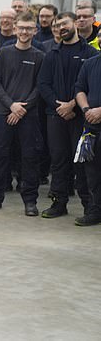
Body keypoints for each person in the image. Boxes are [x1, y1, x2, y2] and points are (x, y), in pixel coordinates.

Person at [0, 12, 44, 216]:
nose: (24, 31)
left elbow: (40, 87)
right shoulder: (3, 54)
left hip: (28, 115)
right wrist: (12, 105)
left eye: (29, 28)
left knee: (29, 158)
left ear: (35, 31)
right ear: (15, 29)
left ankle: (30, 201)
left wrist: (22, 108)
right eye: (21, 27)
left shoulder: (39, 56)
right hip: (3, 113)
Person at [37, 12, 97, 218]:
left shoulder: (90, 54)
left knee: (82, 162)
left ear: (75, 24)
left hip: (81, 117)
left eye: (64, 23)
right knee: (58, 160)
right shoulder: (51, 54)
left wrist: (72, 106)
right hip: (55, 116)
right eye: (57, 25)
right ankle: (59, 203)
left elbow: (90, 87)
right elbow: (43, 84)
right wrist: (59, 106)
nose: (60, 27)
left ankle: (90, 206)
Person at [74, 50, 101, 226]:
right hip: (91, 127)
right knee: (92, 174)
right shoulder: (90, 63)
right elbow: (80, 89)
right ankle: (95, 211)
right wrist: (86, 109)